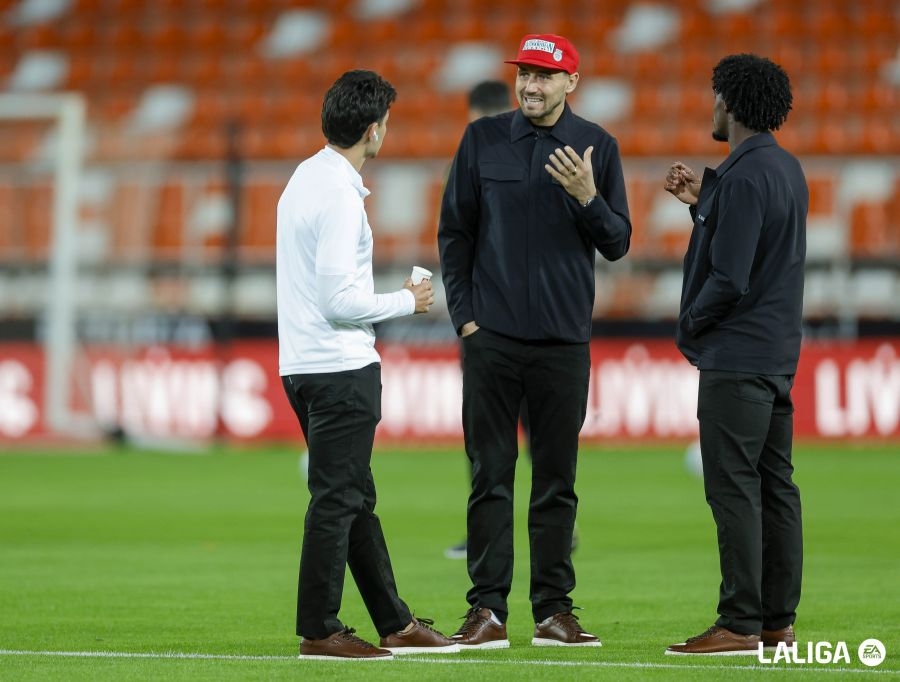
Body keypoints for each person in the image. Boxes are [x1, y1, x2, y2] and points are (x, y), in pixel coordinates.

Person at [438, 34, 631, 649]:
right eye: (524, 73)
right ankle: (487, 612)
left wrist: (588, 198)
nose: (530, 85)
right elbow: (454, 234)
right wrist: (466, 319)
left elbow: (618, 241)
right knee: (489, 477)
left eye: (544, 76)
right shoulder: (481, 139)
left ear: (570, 83)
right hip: (491, 341)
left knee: (556, 481)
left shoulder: (599, 146)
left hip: (562, 343)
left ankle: (554, 610)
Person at [277, 69, 457, 660]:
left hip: (302, 364)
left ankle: (394, 622)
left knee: (352, 497)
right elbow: (339, 300)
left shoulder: (303, 179)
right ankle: (319, 628)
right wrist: (408, 299)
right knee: (337, 499)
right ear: (375, 129)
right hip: (339, 369)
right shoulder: (339, 196)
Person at [662, 53, 807, 656]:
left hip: (738, 358)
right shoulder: (785, 168)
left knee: (734, 488)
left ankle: (740, 621)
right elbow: (757, 247)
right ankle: (776, 621)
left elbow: (731, 275)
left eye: (715, 95)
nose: (711, 107)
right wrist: (704, 207)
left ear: (730, 103)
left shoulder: (744, 176)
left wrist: (689, 322)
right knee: (775, 486)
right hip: (776, 354)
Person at [444, 78, 513, 561]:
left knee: (486, 443)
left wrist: (466, 316)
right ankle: (551, 533)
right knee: (538, 446)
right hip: (509, 321)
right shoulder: (528, 156)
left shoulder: (479, 157)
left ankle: (485, 537)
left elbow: (455, 240)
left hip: (490, 324)